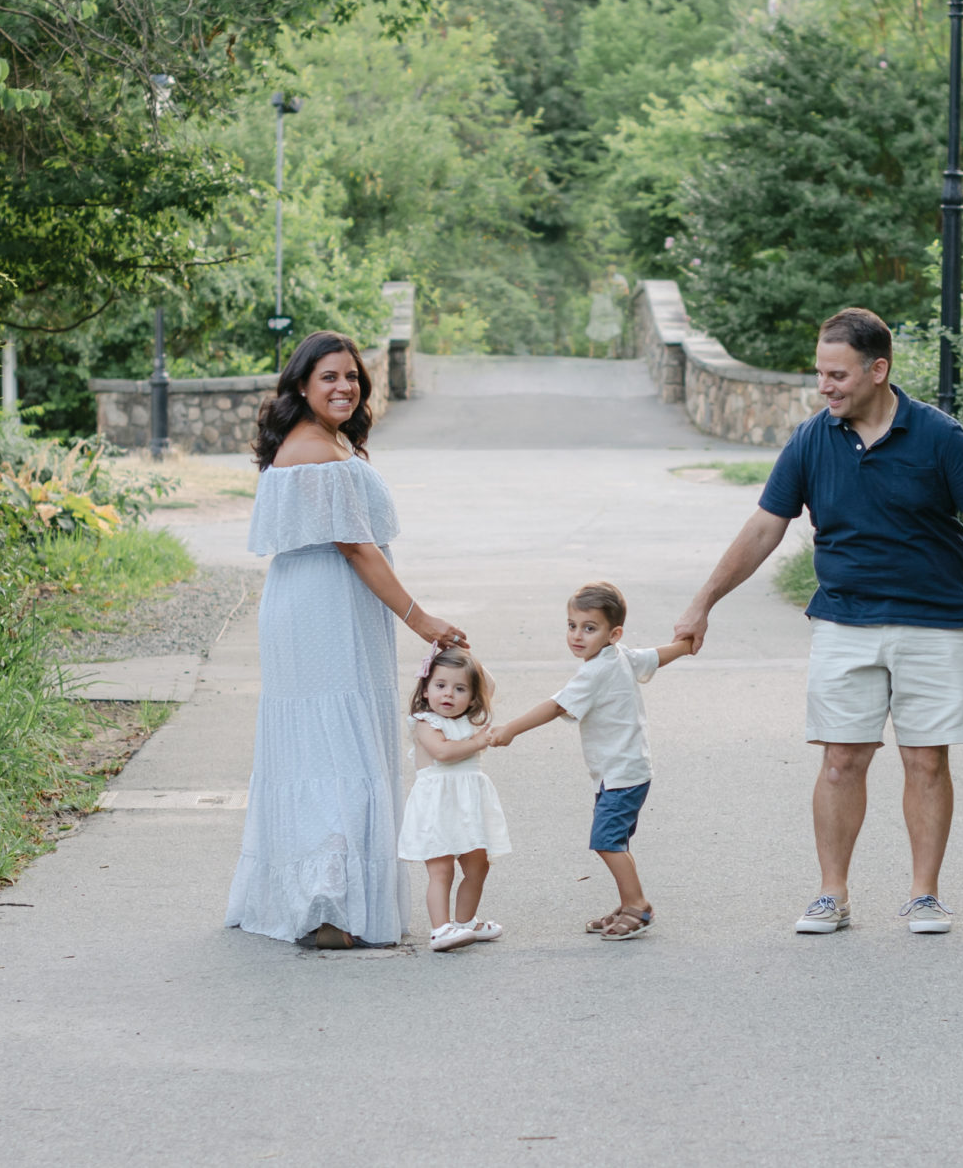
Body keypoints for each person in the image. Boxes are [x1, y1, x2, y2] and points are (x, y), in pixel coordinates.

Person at [671, 307, 963, 937]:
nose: (825, 386)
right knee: (841, 760)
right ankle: (832, 894)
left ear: (878, 370)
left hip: (934, 622)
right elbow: (766, 526)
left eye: (837, 374)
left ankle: (924, 895)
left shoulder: (940, 437)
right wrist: (703, 601)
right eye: (821, 373)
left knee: (927, 760)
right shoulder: (811, 439)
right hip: (845, 623)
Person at [226, 330, 465, 951]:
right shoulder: (313, 452)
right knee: (334, 750)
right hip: (321, 608)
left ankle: (329, 900)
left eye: (351, 376)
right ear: (302, 385)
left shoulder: (334, 442)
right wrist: (422, 619)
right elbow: (356, 547)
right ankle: (328, 906)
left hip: (334, 604)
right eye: (329, 376)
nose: (344, 386)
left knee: (333, 743)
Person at [490, 582, 695, 941]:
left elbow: (555, 706)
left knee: (606, 841)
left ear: (613, 633)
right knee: (615, 841)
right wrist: (686, 646)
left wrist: (511, 729)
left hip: (621, 774)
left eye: (589, 628)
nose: (577, 636)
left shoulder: (595, 671)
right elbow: (655, 656)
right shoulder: (620, 656)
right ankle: (630, 902)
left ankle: (638, 906)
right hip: (625, 771)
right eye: (572, 625)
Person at [399, 644, 511, 952]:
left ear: (473, 697)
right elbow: (444, 753)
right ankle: (440, 929)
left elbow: (489, 684)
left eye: (460, 688)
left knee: (478, 865)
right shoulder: (425, 722)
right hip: (436, 807)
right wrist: (478, 742)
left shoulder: (469, 720)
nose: (448, 694)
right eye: (440, 685)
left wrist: (465, 651)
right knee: (442, 868)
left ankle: (465, 923)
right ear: (425, 690)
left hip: (468, 806)